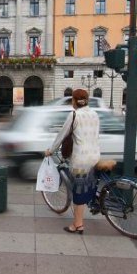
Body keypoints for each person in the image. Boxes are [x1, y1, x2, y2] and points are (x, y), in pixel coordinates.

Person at [44, 88, 100, 235]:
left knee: (79, 193)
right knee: (89, 185)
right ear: (86, 100)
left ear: (74, 101)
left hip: (81, 159)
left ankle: (78, 225)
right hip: (94, 156)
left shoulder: (74, 114)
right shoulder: (94, 114)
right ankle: (92, 203)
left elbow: (62, 134)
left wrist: (51, 150)